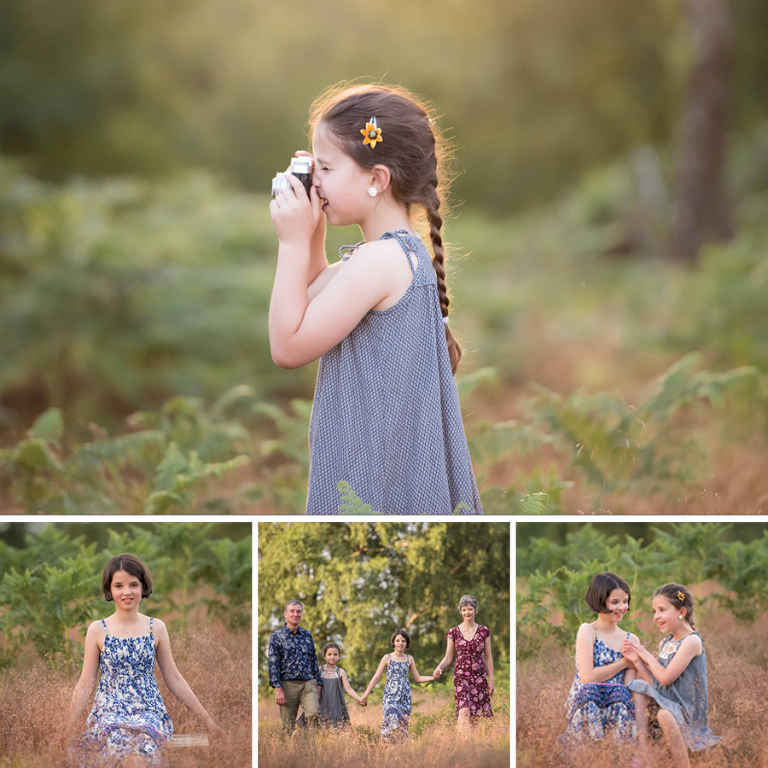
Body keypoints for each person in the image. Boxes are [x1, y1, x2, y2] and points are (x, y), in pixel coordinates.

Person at [268, 82, 483, 515]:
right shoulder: (390, 254)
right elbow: (307, 301)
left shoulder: (378, 263)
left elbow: (287, 347)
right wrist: (312, 231)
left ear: (376, 179)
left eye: (326, 168)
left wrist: (291, 244)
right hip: (379, 466)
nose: (317, 180)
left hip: (370, 478)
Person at [61, 554, 224, 768]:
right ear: (110, 590)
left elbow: (174, 678)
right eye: (118, 585)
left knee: (142, 752)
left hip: (148, 711)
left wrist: (209, 723)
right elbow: (85, 683)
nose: (127, 592)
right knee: (119, 743)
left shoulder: (155, 628)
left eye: (133, 585)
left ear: (143, 587)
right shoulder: (98, 630)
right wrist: (64, 730)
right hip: (109, 712)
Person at [623, 583, 720, 768]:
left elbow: (666, 677)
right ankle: (643, 750)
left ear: (681, 612)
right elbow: (658, 684)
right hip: (667, 701)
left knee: (665, 715)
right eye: (654, 611)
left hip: (686, 709)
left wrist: (646, 655)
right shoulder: (665, 642)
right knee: (638, 689)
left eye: (662, 610)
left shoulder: (691, 641)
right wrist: (637, 661)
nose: (656, 616)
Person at [560, 572, 640, 751]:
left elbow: (629, 687)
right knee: (590, 690)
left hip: (618, 708)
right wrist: (623, 663)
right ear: (599, 601)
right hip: (588, 703)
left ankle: (618, 751)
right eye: (615, 602)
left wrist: (634, 666)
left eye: (625, 601)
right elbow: (587, 677)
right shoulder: (588, 631)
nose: (622, 607)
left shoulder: (631, 639)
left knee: (621, 695)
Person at [360, 629, 435, 741]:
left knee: (402, 730)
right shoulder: (387, 658)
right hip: (390, 698)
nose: (400, 643)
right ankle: (385, 742)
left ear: (407, 643)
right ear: (393, 642)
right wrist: (365, 695)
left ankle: (399, 751)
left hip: (405, 699)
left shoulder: (409, 659)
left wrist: (433, 677)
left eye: (403, 641)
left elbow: (418, 678)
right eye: (398, 640)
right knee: (392, 718)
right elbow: (376, 677)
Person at [433, 594, 494, 730]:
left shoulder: (484, 631)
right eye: (464, 609)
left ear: (476, 610)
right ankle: (458, 745)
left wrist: (491, 680)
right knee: (464, 711)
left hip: (479, 677)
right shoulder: (453, 632)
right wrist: (439, 667)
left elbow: (488, 657)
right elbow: (448, 657)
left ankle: (470, 748)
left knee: (475, 717)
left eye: (470, 609)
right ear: (460, 611)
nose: (467, 612)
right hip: (461, 676)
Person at [267, 600, 323, 737]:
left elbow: (313, 660)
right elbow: (273, 664)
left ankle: (313, 749)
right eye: (292, 611)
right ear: (285, 614)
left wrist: (318, 683)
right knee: (288, 726)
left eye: (298, 611)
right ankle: (287, 753)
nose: (295, 614)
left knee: (314, 714)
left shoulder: (307, 635)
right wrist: (278, 689)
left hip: (308, 683)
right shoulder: (276, 637)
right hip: (287, 685)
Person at [297, 642, 366, 730]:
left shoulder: (340, 672)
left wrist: (358, 698)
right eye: (329, 654)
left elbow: (348, 689)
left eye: (335, 654)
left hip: (335, 704)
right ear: (324, 656)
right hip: (320, 702)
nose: (332, 657)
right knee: (317, 727)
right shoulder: (319, 670)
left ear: (339, 656)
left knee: (335, 728)